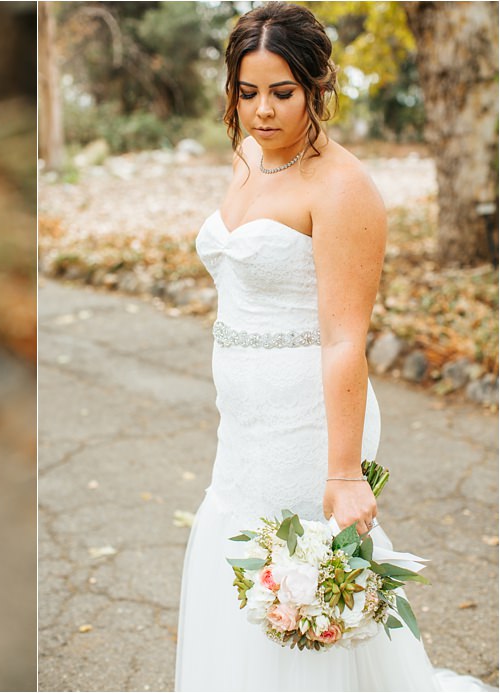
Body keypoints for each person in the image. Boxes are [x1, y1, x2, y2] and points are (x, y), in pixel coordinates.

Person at [174, 3, 490, 690]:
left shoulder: (344, 189)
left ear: (319, 86)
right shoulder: (248, 153)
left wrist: (344, 471)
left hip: (310, 418)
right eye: (247, 91)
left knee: (300, 577)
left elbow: (347, 335)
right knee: (236, 545)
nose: (262, 112)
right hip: (244, 420)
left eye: (282, 93)